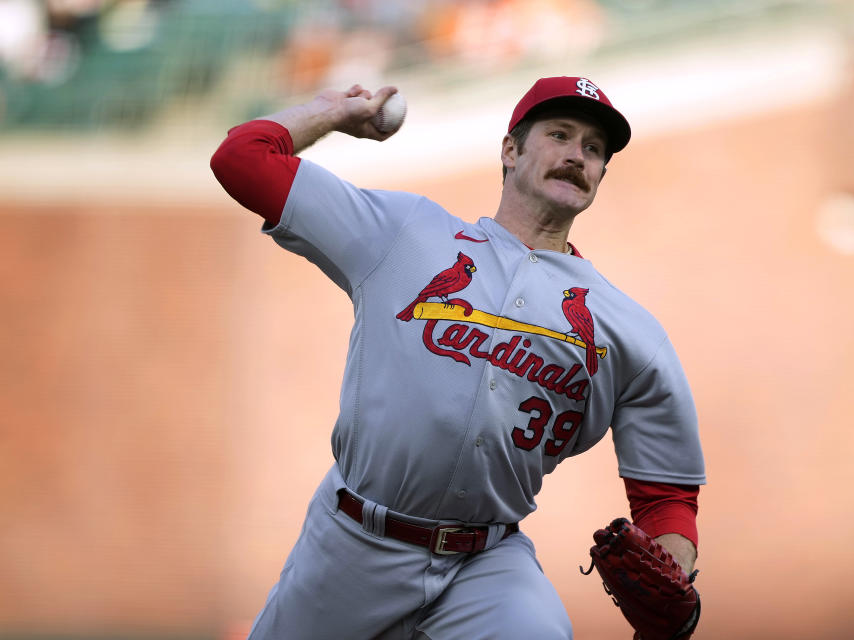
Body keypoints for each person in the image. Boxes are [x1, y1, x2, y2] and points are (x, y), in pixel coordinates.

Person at [210, 76, 706, 640]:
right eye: (560, 134)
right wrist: (330, 113)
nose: (576, 154)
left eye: (594, 149)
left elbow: (665, 494)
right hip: (351, 543)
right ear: (510, 150)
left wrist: (677, 579)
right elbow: (241, 159)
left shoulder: (629, 332)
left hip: (487, 563)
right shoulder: (405, 233)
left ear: (600, 177)